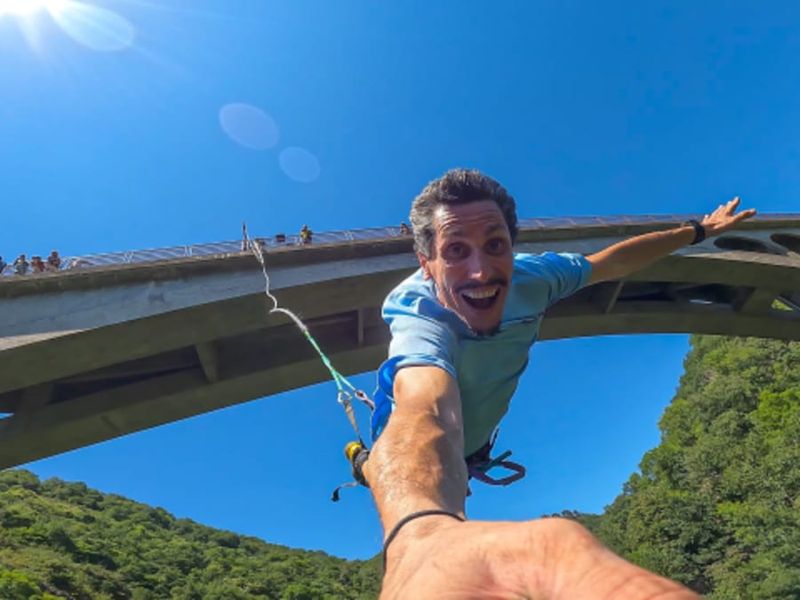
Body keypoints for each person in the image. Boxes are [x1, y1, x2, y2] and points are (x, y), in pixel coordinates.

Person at [362, 169, 755, 599]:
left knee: (462, 454)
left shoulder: (539, 277)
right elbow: (427, 405)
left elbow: (614, 262)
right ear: (427, 264)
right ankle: (370, 462)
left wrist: (698, 231)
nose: (480, 272)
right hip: (413, 429)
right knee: (416, 433)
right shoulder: (417, 312)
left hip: (473, 445)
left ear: (513, 247)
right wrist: (419, 535)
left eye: (495, 245)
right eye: (455, 251)